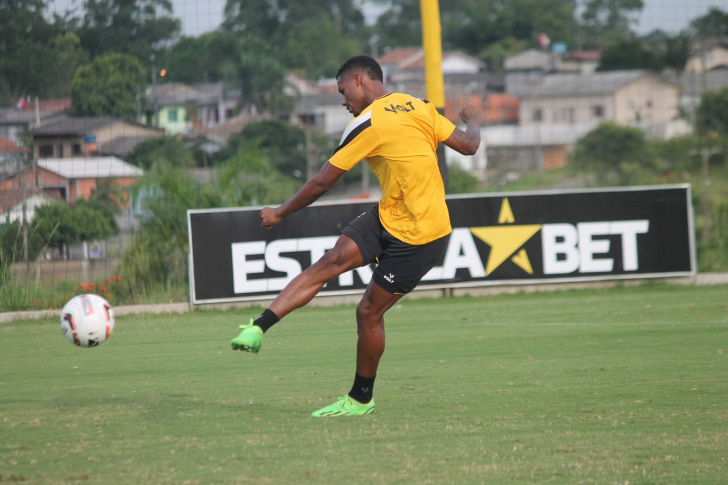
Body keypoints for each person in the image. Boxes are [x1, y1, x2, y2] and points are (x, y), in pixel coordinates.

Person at [231, 55, 481, 417]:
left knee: (368, 313)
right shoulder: (419, 106)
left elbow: (321, 182)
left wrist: (280, 211)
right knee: (330, 261)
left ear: (360, 79)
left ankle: (361, 399)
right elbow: (469, 145)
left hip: (422, 236)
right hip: (388, 216)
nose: (343, 100)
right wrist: (473, 119)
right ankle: (259, 327)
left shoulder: (367, 124)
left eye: (343, 90)